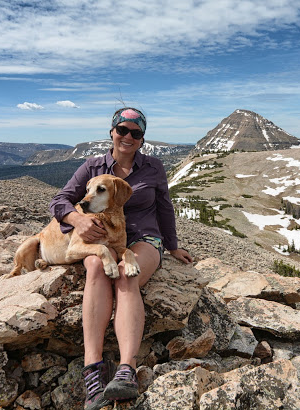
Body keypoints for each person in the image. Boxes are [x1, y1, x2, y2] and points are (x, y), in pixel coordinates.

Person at [49, 107, 193, 409]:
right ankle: (93, 370)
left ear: (141, 138)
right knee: (95, 267)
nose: (128, 137)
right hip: (101, 236)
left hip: (143, 237)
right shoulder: (92, 166)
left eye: (136, 133)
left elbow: (165, 207)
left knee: (129, 274)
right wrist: (78, 221)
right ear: (112, 132)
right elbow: (61, 200)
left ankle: (126, 369)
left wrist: (172, 245)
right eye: (123, 130)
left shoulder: (153, 167)